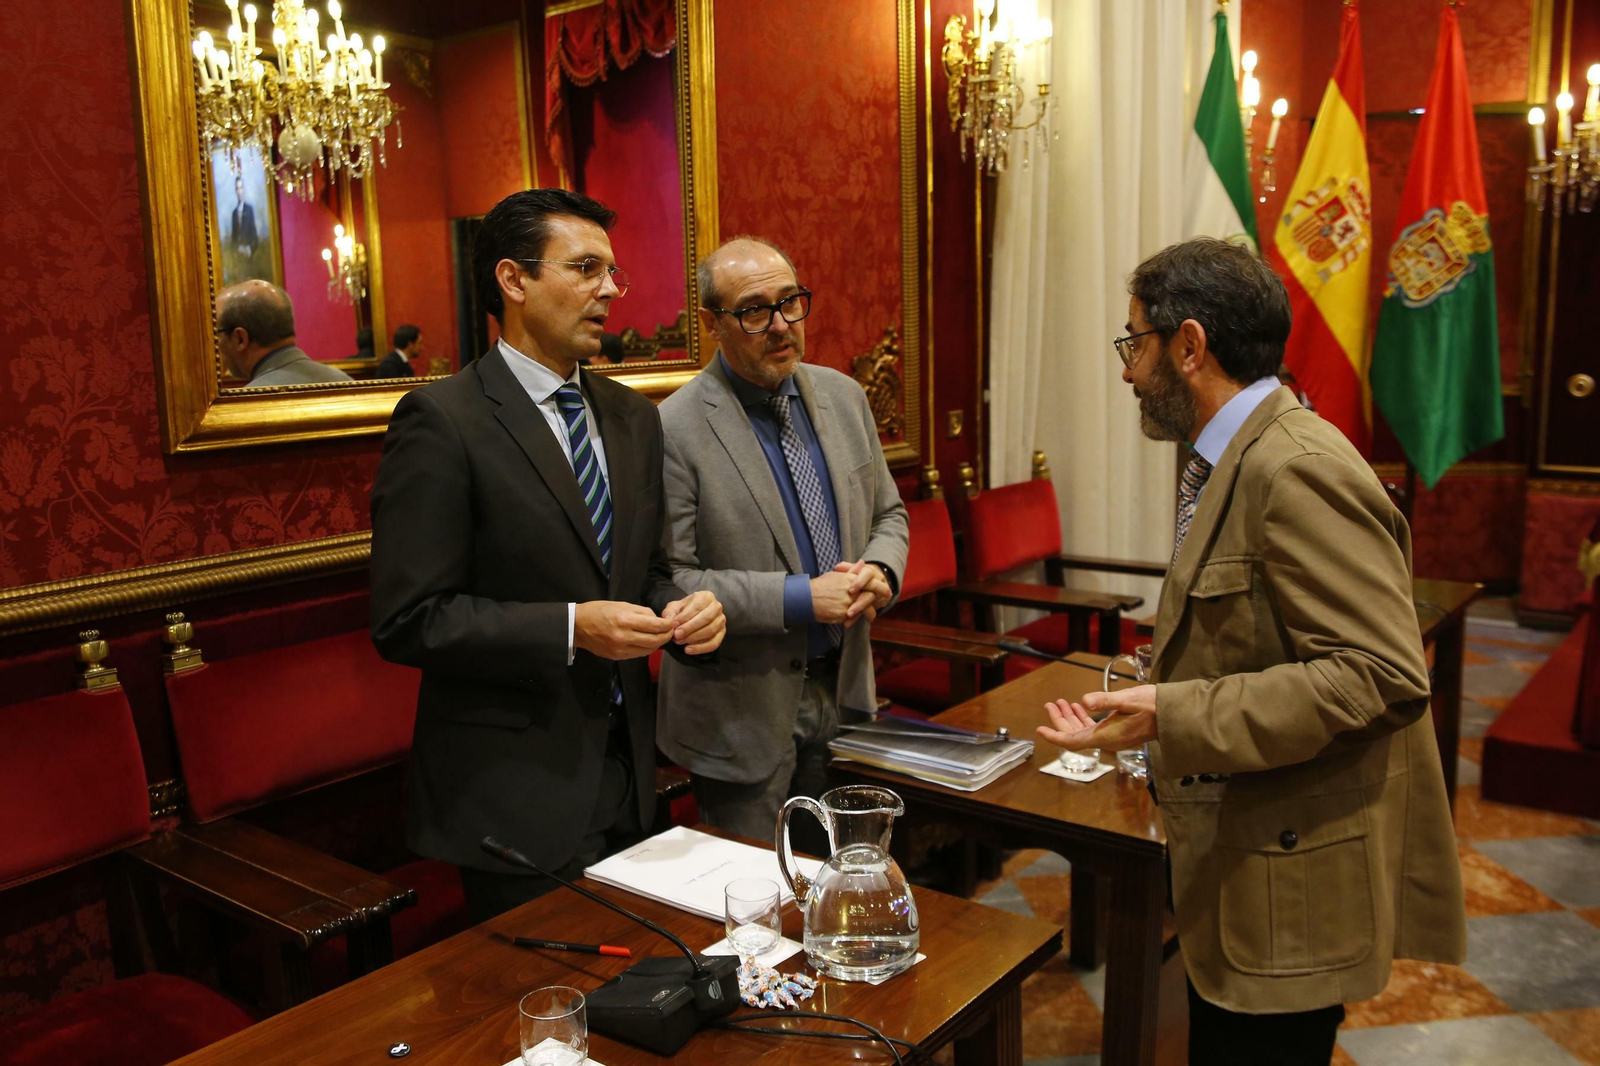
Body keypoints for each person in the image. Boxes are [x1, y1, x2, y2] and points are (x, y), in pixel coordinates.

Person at [1037, 237, 1465, 1066]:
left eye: (1135, 343)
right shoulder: (1234, 455)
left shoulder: (1293, 467)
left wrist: (1173, 711)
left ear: (1189, 346)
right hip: (1243, 864)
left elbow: (1378, 676)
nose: (1128, 371)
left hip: (1290, 885)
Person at [369, 188, 725, 922]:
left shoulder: (631, 418)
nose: (610, 292)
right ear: (514, 280)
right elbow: (410, 619)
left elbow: (645, 575)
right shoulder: (444, 420)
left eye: (613, 273)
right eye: (586, 268)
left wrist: (687, 613)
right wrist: (570, 628)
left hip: (630, 776)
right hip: (514, 793)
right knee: (553, 1021)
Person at [656, 236, 908, 844]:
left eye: (790, 302)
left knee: (847, 882)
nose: (780, 325)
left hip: (845, 687)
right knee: (759, 905)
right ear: (712, 323)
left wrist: (881, 570)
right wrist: (801, 598)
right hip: (743, 709)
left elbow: (890, 514)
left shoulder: (845, 397)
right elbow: (675, 579)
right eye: (754, 310)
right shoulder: (674, 427)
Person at [214, 280, 353, 386]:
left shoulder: (246, 405)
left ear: (240, 339)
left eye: (217, 333)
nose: (216, 343)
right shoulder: (346, 382)